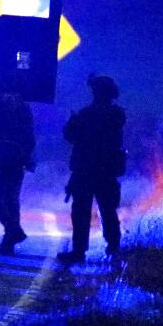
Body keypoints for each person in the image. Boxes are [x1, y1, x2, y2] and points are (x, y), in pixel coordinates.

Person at [58, 74, 126, 264]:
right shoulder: (115, 115)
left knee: (82, 211)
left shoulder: (88, 114)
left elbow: (71, 136)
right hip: (106, 170)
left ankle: (80, 251)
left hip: (87, 169)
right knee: (107, 210)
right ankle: (113, 248)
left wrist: (73, 121)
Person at [0, 86, 36, 254]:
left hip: (2, 157)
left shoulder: (2, 105)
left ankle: (13, 230)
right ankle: (9, 242)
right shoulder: (24, 106)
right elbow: (30, 137)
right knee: (11, 200)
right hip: (18, 159)